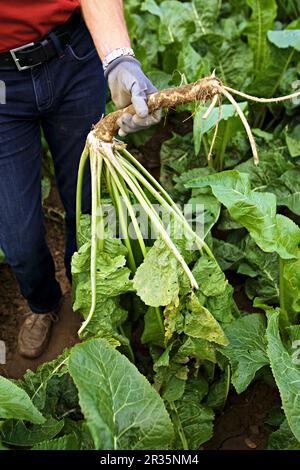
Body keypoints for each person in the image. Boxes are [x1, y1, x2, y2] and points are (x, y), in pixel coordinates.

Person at [0, 0, 160, 359]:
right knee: (18, 237)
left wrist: (119, 59)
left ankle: (90, 293)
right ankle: (43, 304)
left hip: (72, 55)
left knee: (88, 199)